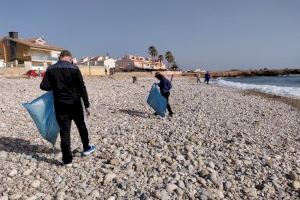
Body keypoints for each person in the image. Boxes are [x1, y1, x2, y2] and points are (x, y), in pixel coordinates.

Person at [40, 50, 95, 166]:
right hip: (75, 103)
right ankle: (86, 147)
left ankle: (67, 160)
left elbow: (43, 86)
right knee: (81, 126)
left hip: (60, 104)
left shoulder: (51, 69)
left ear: (60, 57)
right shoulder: (74, 68)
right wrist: (86, 105)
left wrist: (56, 86)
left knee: (64, 131)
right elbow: (82, 87)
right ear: (69, 58)